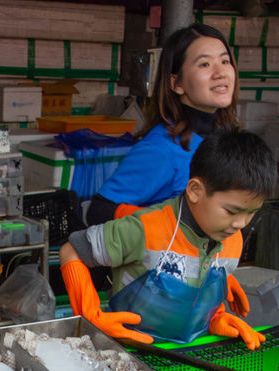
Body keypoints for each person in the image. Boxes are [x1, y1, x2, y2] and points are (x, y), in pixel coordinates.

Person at [60, 130, 276, 350]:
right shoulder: (145, 229)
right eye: (232, 211)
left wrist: (214, 318)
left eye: (251, 213)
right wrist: (90, 316)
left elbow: (196, 291)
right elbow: (72, 250)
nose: (241, 223)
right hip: (127, 352)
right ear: (195, 191)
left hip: (189, 354)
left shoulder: (232, 238)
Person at [85, 24, 240, 226]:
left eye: (225, 61)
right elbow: (99, 211)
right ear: (176, 83)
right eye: (205, 64)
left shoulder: (228, 138)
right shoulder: (162, 149)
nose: (220, 72)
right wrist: (165, 225)